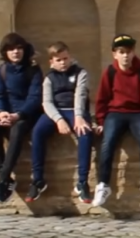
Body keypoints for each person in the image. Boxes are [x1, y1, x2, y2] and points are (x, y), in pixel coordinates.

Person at [92, 34, 140, 208]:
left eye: (129, 51)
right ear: (114, 54)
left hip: (137, 114)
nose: (125, 55)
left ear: (133, 53)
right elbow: (101, 99)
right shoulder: (109, 72)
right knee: (107, 142)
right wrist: (101, 121)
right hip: (115, 113)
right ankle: (103, 184)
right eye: (121, 52)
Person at [26, 41, 94, 204]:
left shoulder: (80, 73)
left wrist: (78, 116)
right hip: (55, 112)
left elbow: (80, 95)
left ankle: (83, 181)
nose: (63, 63)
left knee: (85, 133)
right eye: (58, 60)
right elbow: (47, 102)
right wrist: (59, 120)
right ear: (52, 62)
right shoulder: (49, 78)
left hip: (75, 110)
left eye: (65, 58)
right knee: (37, 132)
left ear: (69, 57)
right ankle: (38, 180)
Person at [0, 33, 43, 204]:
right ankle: (4, 174)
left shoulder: (33, 70)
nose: (16, 52)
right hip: (7, 112)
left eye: (19, 48)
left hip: (26, 114)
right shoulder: (2, 71)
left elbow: (35, 97)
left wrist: (18, 115)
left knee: (18, 130)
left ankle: (3, 179)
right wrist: (0, 112)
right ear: (5, 52)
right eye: (11, 49)